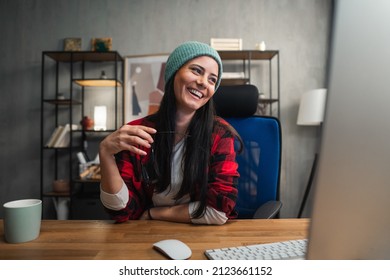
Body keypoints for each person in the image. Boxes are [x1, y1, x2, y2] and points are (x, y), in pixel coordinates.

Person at [99, 41, 241, 225]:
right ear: (174, 73)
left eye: (212, 79)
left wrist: (154, 214)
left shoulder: (220, 135)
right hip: (147, 235)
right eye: (196, 70)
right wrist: (105, 153)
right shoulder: (138, 133)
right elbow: (121, 211)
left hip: (204, 235)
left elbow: (219, 210)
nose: (203, 82)